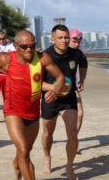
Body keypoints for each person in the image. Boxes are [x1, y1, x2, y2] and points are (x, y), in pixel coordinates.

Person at [0, 30, 64, 180]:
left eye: (32, 46)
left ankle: (16, 165)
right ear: (15, 46)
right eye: (24, 46)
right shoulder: (4, 59)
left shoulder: (42, 58)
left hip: (33, 113)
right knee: (24, 150)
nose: (29, 49)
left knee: (25, 151)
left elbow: (60, 77)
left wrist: (56, 90)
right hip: (13, 112)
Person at [41, 25, 88, 179]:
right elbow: (37, 83)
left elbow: (84, 63)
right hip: (50, 98)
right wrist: (54, 89)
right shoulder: (44, 56)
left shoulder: (76, 54)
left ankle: (69, 166)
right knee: (48, 133)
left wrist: (82, 80)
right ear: (52, 39)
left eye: (66, 37)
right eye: (60, 37)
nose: (64, 40)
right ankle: (47, 157)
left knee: (72, 134)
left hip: (69, 99)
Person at [69, 28, 88, 134]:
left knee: (80, 114)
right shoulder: (59, 50)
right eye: (74, 41)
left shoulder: (79, 52)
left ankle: (73, 138)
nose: (77, 44)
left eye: (79, 42)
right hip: (55, 87)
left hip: (73, 88)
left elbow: (84, 65)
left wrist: (81, 81)